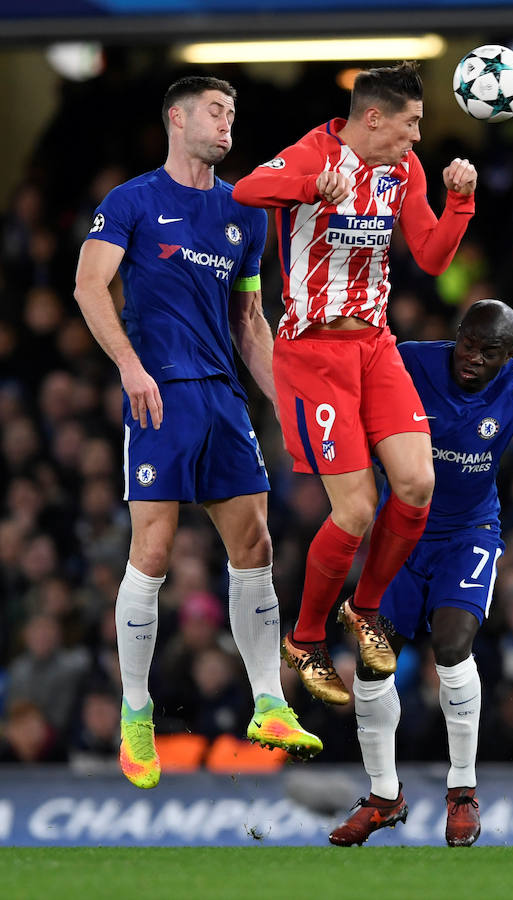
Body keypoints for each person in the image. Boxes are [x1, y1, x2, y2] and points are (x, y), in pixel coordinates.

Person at [73, 75, 322, 791]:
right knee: (151, 552)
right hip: (160, 397)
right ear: (176, 119)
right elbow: (90, 286)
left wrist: (284, 407)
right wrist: (129, 366)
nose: (227, 123)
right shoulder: (133, 201)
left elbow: (250, 321)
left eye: (233, 113)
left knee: (257, 545)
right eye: (216, 111)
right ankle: (136, 715)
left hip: (222, 398)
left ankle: (268, 703)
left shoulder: (240, 211)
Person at [233, 62, 477, 703]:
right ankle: (306, 638)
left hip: (375, 344)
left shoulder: (405, 170)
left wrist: (459, 202)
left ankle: (363, 611)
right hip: (314, 352)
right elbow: (248, 190)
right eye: (412, 123)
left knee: (419, 483)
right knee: (357, 509)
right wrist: (314, 185)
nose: (418, 137)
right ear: (374, 117)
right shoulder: (315, 152)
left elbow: (430, 255)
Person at [327, 299, 513, 848]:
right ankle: (383, 796)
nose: (471, 357)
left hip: (469, 535)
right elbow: (355, 398)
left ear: (508, 355)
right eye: (467, 342)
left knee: (451, 647)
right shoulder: (413, 362)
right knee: (372, 663)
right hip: (401, 532)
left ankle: (462, 791)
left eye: (488, 351)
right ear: (457, 335)